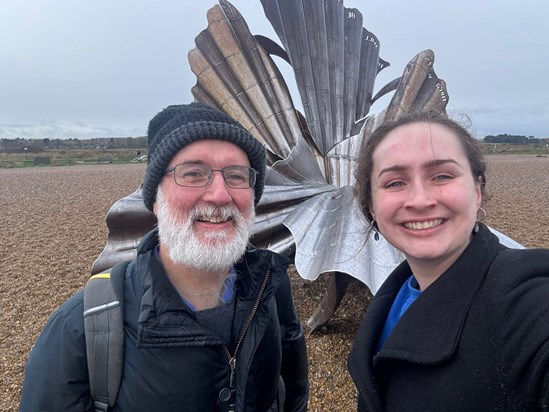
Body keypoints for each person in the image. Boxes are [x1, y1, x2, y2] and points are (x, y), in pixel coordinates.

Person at [20, 102, 309, 411]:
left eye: (236, 176)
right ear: (155, 200)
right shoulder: (80, 330)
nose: (220, 195)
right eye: (194, 173)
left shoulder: (271, 287)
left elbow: (292, 391)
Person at [347, 111, 549, 411]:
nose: (420, 200)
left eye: (442, 176)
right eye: (394, 183)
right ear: (372, 207)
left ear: (477, 191)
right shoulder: (392, 298)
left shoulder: (522, 301)